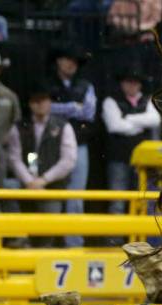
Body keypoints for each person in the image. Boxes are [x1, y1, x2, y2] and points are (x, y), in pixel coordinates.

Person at [7, 84, 78, 246]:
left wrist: (44, 180)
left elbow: (68, 160)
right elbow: (14, 158)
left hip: (52, 186)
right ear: (30, 104)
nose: (40, 104)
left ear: (50, 102)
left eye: (44, 100)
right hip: (26, 184)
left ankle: (43, 251)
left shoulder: (63, 126)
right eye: (36, 101)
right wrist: (29, 181)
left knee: (50, 217)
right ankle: (19, 238)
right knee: (7, 187)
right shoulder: (19, 126)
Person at [48, 42, 96, 247]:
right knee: (51, 191)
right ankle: (48, 239)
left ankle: (73, 242)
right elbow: (44, 107)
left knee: (76, 194)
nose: (71, 64)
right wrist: (72, 107)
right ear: (58, 61)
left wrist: (59, 108)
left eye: (74, 61)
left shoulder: (85, 85)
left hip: (79, 143)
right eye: (67, 59)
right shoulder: (47, 83)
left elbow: (89, 112)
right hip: (51, 144)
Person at [102, 65, 160, 217]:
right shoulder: (111, 100)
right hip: (119, 157)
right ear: (122, 83)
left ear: (140, 84)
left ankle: (143, 238)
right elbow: (114, 126)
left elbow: (155, 120)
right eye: (128, 81)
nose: (132, 85)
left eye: (135, 82)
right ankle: (115, 240)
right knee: (118, 202)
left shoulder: (148, 99)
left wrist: (129, 119)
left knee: (145, 200)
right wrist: (140, 124)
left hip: (144, 161)